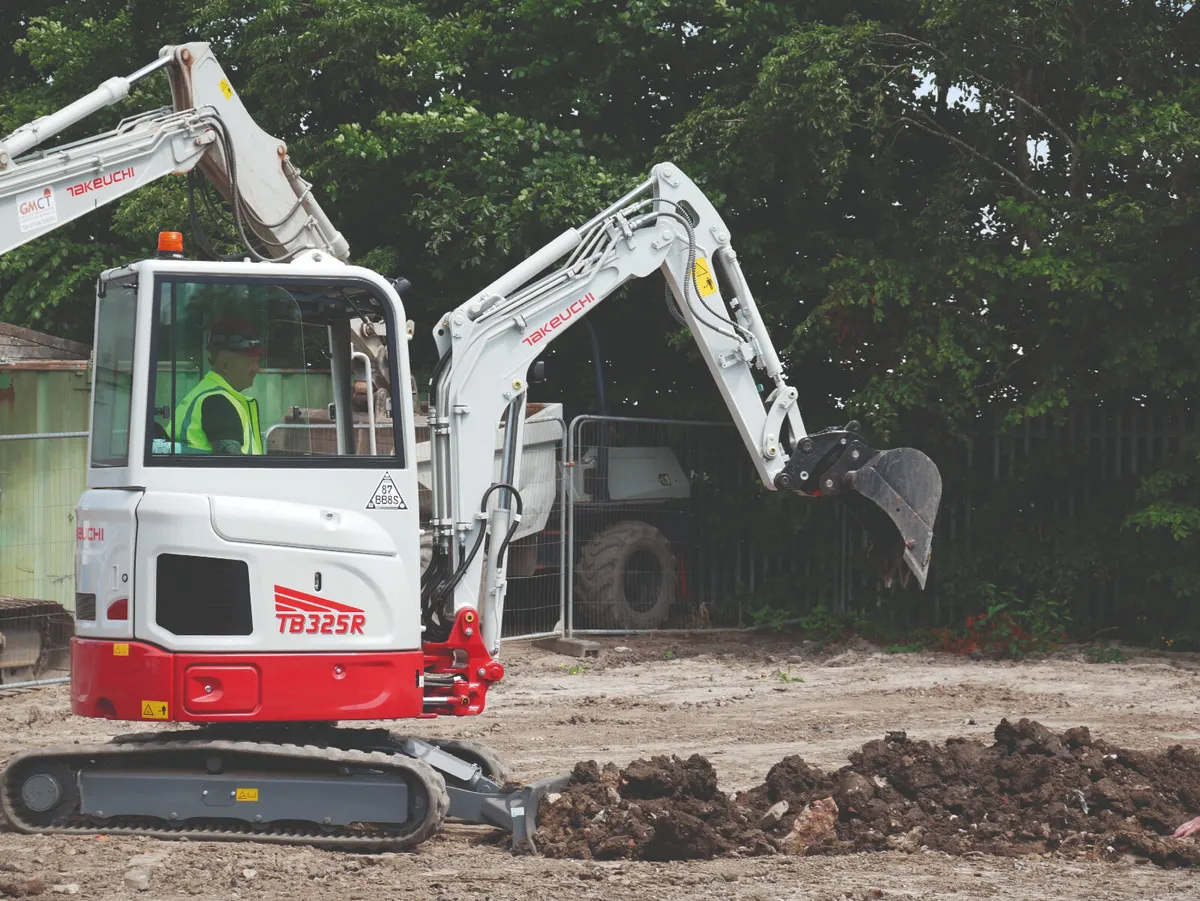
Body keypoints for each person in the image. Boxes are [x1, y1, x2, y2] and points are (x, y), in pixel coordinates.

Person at [173, 317, 264, 455]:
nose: (257, 369)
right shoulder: (219, 403)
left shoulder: (205, 394)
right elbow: (232, 466)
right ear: (226, 365)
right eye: (251, 362)